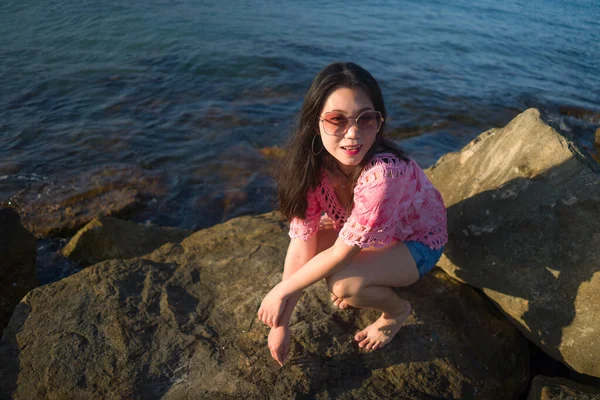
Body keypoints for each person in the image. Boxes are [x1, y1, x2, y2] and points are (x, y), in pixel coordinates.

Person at [257, 62, 447, 366]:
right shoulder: (312, 167)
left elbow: (341, 256)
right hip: (376, 235)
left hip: (419, 241)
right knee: (316, 242)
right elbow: (301, 245)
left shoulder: (384, 175)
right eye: (337, 120)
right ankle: (373, 277)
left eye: (366, 119)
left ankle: (397, 312)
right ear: (314, 120)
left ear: (379, 121)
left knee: (344, 284)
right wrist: (282, 324)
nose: (353, 134)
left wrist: (280, 291)